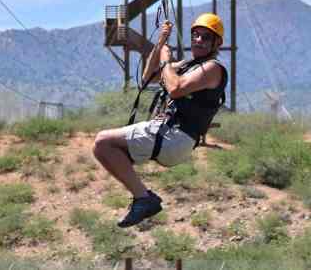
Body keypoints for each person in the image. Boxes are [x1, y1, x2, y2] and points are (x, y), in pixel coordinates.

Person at [93, 13, 227, 228]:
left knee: (103, 142)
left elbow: (175, 89)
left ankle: (143, 198)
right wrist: (160, 45)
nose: (198, 40)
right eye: (196, 35)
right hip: (170, 137)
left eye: (205, 37)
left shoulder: (213, 68)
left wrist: (166, 60)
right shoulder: (188, 65)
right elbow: (148, 78)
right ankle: (142, 197)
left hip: (175, 137)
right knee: (111, 150)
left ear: (217, 43)